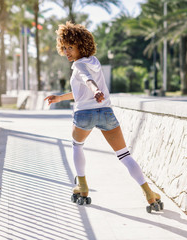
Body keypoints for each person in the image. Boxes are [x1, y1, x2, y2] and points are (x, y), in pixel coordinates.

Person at [44, 21, 163, 213]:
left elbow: (86, 80)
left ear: (81, 46)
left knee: (77, 146)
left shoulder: (78, 66)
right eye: (64, 47)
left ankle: (82, 187)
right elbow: (81, 90)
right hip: (105, 112)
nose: (67, 51)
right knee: (124, 155)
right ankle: (148, 193)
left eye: (71, 47)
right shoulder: (95, 62)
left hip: (84, 115)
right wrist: (60, 97)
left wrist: (96, 90)